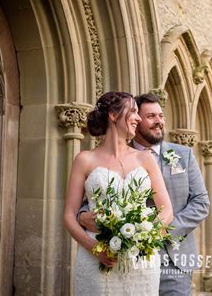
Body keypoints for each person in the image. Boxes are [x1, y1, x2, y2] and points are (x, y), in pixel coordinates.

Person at [79, 93, 210, 295]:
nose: (159, 121)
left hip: (174, 259)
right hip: (122, 258)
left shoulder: (183, 155)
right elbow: (97, 197)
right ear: (135, 119)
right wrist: (82, 215)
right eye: (151, 116)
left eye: (161, 115)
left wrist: (152, 234)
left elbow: (200, 202)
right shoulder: (110, 157)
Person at [63, 91, 174, 295]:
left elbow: (166, 211)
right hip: (96, 258)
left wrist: (144, 237)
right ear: (113, 116)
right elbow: (69, 215)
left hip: (141, 261)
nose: (138, 118)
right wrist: (95, 249)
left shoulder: (146, 159)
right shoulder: (84, 160)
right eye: (132, 111)